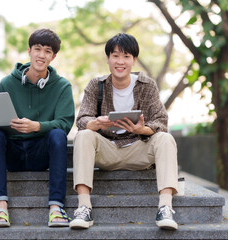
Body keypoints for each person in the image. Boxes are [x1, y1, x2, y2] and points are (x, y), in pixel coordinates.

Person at [69, 33, 178, 230]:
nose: (120, 62)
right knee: (84, 134)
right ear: (108, 59)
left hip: (139, 149)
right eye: (116, 56)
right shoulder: (97, 85)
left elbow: (161, 121)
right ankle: (84, 207)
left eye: (126, 56)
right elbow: (82, 120)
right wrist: (98, 123)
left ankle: (165, 208)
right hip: (107, 151)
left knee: (165, 138)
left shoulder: (147, 86)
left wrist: (142, 129)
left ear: (134, 60)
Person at [0, 29, 75, 228]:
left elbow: (65, 123)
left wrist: (37, 126)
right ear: (29, 51)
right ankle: (0, 208)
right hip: (13, 153)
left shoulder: (62, 87)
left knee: (58, 135)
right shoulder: (7, 83)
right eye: (37, 49)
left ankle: (56, 208)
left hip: (40, 154)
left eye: (47, 51)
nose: (41, 55)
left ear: (53, 56)